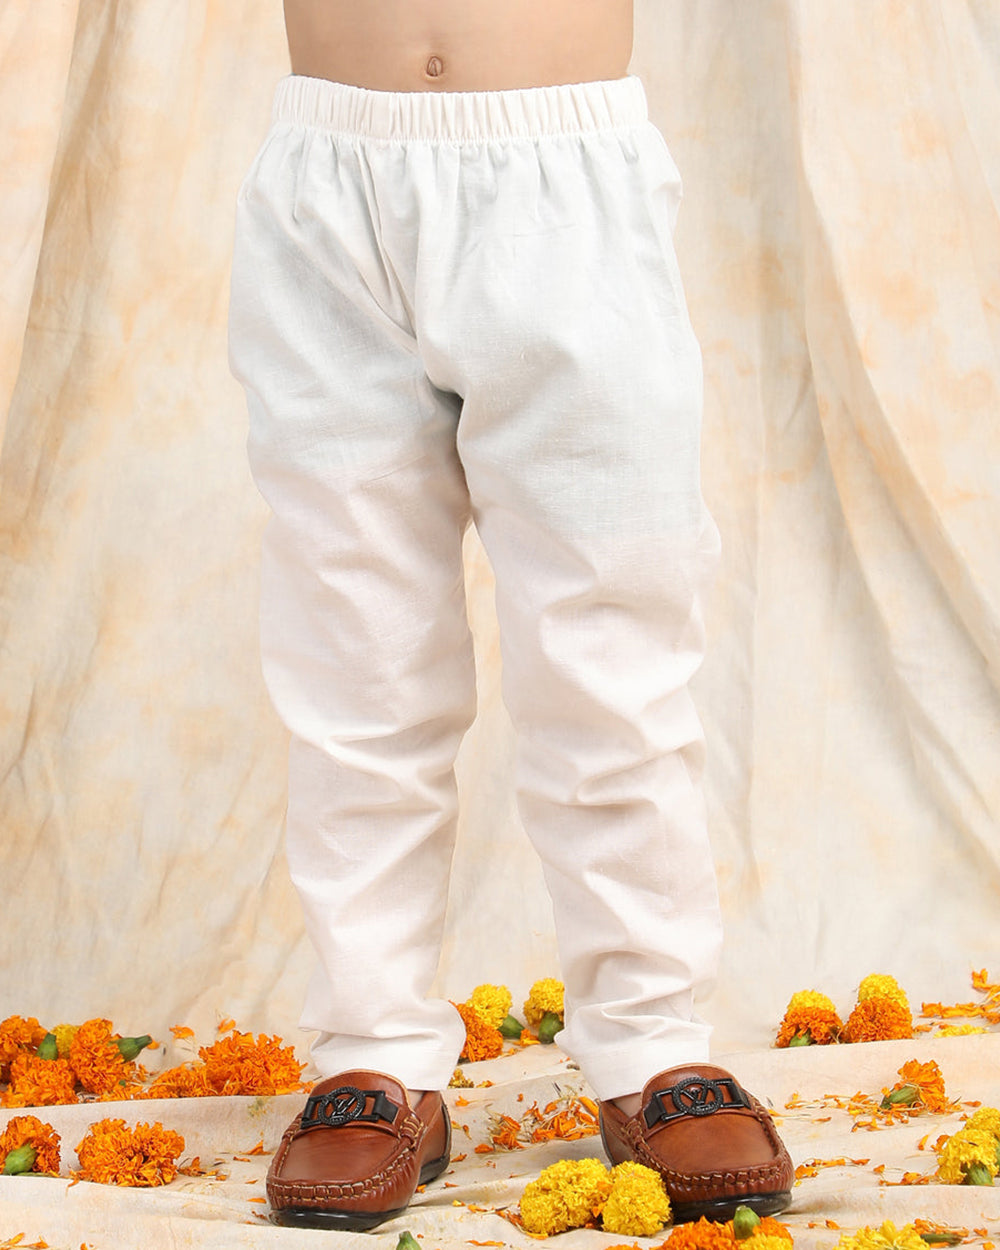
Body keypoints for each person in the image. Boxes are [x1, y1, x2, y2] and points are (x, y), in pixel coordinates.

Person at [228, 0, 794, 1232]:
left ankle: (651, 1040)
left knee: (612, 641)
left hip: (562, 180)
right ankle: (373, 1048)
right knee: (353, 651)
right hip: (327, 189)